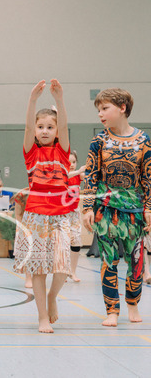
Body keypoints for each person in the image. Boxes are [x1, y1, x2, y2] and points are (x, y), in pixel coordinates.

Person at [82, 88, 151, 327]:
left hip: (134, 210)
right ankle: (112, 310)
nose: (100, 114)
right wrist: (87, 207)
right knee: (108, 261)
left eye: (105, 108)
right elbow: (91, 175)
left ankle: (132, 303)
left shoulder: (143, 140)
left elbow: (148, 178)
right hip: (105, 209)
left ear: (122, 108)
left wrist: (149, 208)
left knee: (136, 261)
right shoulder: (99, 141)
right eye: (98, 110)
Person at [14, 79, 74, 333]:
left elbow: (65, 125)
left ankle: (52, 296)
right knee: (38, 269)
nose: (45, 131)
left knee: (62, 266)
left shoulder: (63, 153)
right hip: (36, 216)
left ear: (57, 131)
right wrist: (33, 100)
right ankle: (42, 317)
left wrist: (59, 99)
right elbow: (28, 126)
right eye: (41, 127)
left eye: (50, 127)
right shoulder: (31, 154)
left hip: (60, 216)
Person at [66, 151, 86, 282]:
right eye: (69, 162)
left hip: (74, 212)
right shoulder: (62, 175)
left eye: (74, 162)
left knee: (76, 242)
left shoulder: (78, 176)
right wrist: (79, 171)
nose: (72, 164)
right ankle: (62, 272)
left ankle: (72, 272)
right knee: (62, 243)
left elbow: (89, 176)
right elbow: (65, 175)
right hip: (61, 213)